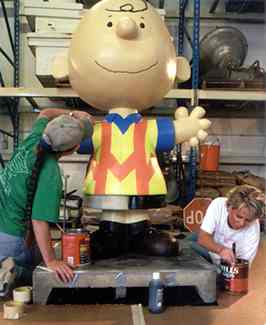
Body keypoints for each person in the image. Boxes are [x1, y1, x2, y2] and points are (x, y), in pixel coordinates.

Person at [52, 0, 211, 259]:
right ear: (64, 66)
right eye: (110, 24)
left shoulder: (145, 129)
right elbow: (75, 140)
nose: (126, 28)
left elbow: (171, 132)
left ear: (178, 67)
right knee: (107, 233)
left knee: (145, 228)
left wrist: (188, 127)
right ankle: (109, 232)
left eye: (141, 25)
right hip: (107, 191)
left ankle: (138, 233)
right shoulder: (95, 129)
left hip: (141, 190)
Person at [0, 108, 94, 284]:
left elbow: (45, 112)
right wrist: (51, 261)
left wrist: (72, 113)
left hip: (3, 226)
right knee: (18, 285)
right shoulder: (50, 174)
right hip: (12, 237)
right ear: (74, 148)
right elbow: (39, 221)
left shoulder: (33, 139)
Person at [191, 185, 265, 266]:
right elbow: (202, 238)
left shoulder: (253, 228)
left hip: (225, 265)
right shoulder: (218, 204)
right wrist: (221, 250)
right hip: (211, 249)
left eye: (248, 220)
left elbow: (243, 267)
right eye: (239, 217)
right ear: (229, 207)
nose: (241, 223)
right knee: (184, 243)